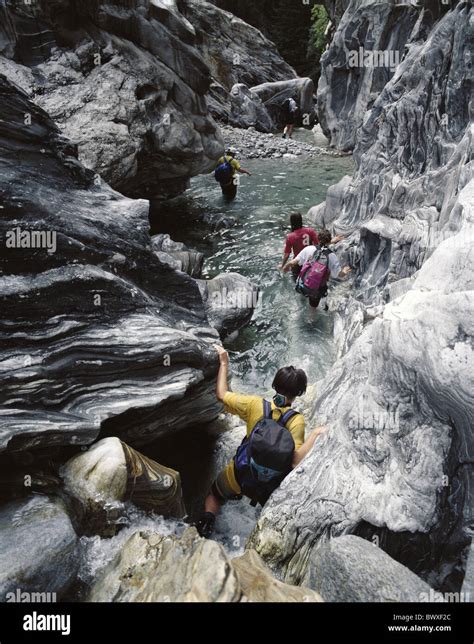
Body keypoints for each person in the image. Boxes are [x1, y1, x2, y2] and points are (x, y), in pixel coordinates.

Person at [195, 346, 327, 539]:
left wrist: (224, 361)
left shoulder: (255, 404)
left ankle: (206, 524)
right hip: (269, 487)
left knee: (215, 494)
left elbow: (221, 394)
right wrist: (315, 434)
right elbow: (295, 461)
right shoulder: (296, 420)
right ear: (299, 393)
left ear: (274, 385)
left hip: (240, 474)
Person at [283, 229, 352, 309]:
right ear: (329, 240)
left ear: (318, 239)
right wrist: (344, 271)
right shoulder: (331, 256)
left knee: (301, 299)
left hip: (304, 283)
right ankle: (311, 320)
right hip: (317, 289)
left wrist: (285, 266)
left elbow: (293, 262)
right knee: (312, 309)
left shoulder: (309, 249)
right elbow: (338, 274)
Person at [280, 213, 320, 281]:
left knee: (297, 282)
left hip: (297, 263)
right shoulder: (310, 231)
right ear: (301, 220)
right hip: (310, 261)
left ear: (291, 222)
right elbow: (318, 245)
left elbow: (287, 254)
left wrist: (282, 265)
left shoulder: (290, 236)